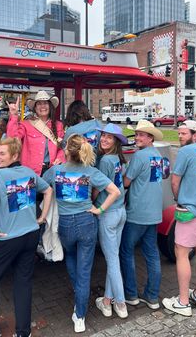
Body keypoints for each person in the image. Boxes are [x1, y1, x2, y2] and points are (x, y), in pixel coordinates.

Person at [0, 137, 53, 337]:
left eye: (2, 153)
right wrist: (42, 217)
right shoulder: (28, 172)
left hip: (7, 239)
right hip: (30, 235)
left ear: (15, 155)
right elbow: (48, 190)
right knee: (23, 282)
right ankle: (23, 332)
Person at [43, 134, 120, 333]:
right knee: (85, 270)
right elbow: (115, 191)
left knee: (70, 256)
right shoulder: (90, 171)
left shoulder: (56, 170)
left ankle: (80, 299)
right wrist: (100, 210)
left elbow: (41, 186)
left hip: (66, 223)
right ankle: (80, 315)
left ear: (67, 151)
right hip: (87, 221)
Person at [162, 120, 196, 317]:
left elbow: (175, 180)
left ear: (195, 135)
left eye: (183, 134)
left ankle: (183, 302)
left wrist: (178, 198)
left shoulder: (186, 151)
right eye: (179, 134)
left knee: (182, 253)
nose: (179, 137)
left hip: (191, 210)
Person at [120, 119, 164, 310]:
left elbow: (127, 182)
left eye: (141, 135)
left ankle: (131, 294)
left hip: (137, 212)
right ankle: (152, 296)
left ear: (150, 137)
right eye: (136, 134)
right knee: (152, 254)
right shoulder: (158, 155)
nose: (137, 137)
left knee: (126, 251)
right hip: (154, 211)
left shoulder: (139, 157)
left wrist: (122, 172)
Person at [93, 123, 129, 319]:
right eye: (103, 136)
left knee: (113, 260)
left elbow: (99, 187)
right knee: (112, 258)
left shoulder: (106, 160)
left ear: (116, 142)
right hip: (120, 211)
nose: (104, 139)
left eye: (109, 137)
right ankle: (107, 301)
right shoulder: (118, 159)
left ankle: (121, 304)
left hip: (107, 213)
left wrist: (92, 201)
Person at [6, 90, 65, 176]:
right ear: (35, 107)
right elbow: (12, 139)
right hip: (30, 172)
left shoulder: (58, 125)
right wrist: (14, 115)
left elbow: (62, 148)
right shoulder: (25, 124)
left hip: (52, 171)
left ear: (50, 106)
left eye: (45, 103)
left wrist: (60, 158)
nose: (42, 106)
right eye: (39, 103)